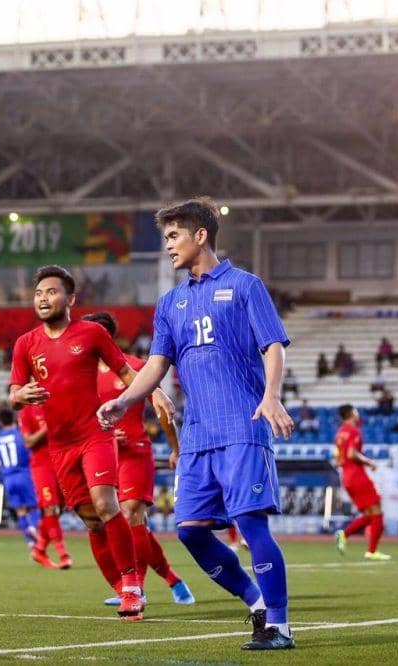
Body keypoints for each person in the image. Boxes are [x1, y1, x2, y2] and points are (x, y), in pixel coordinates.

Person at [96, 197, 296, 650]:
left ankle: (279, 626)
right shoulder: (169, 303)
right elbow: (156, 364)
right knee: (188, 531)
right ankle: (256, 603)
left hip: (243, 426)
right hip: (198, 435)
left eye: (173, 236)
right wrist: (126, 400)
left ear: (200, 235)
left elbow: (274, 345)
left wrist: (271, 395)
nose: (167, 245)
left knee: (250, 523)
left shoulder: (246, 286)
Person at [9, 265, 168, 622]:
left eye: (51, 292)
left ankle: (132, 585)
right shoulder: (25, 345)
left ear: (70, 298)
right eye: (38, 294)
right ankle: (121, 589)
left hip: (94, 433)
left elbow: (126, 372)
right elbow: (12, 395)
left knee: (105, 503)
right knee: (90, 519)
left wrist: (153, 392)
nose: (44, 298)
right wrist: (21, 394)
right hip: (60, 444)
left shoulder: (92, 333)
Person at [84, 311, 195, 608]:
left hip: (134, 452)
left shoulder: (134, 368)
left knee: (132, 512)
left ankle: (136, 590)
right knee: (130, 526)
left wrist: (176, 448)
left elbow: (162, 409)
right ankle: (172, 578)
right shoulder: (83, 374)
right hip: (101, 455)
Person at [333, 404, 389, 561]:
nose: (358, 414)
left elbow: (338, 459)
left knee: (369, 513)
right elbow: (351, 454)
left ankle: (344, 534)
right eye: (356, 411)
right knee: (377, 511)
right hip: (357, 475)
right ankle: (372, 551)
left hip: (347, 477)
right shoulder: (353, 431)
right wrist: (369, 462)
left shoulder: (339, 433)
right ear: (351, 414)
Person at [18, 404, 72, 569]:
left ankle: (39, 549)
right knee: (50, 508)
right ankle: (63, 554)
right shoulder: (27, 410)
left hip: (62, 461)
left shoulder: (56, 404)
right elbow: (28, 441)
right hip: (42, 465)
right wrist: (47, 428)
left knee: (60, 508)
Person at [0, 409, 41, 554]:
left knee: (20, 511)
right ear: (14, 419)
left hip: (8, 478)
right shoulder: (20, 435)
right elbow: (31, 455)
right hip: (23, 474)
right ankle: (33, 527)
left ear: (0, 422)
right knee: (33, 506)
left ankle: (31, 544)